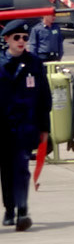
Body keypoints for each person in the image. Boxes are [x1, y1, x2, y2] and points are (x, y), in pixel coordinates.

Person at [1, 19, 51, 231]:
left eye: (25, 38)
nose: (22, 41)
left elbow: (44, 99)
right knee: (5, 170)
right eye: (17, 38)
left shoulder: (34, 64)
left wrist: (45, 129)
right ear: (7, 39)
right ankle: (10, 209)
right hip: (2, 127)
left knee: (21, 169)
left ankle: (22, 211)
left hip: (25, 127)